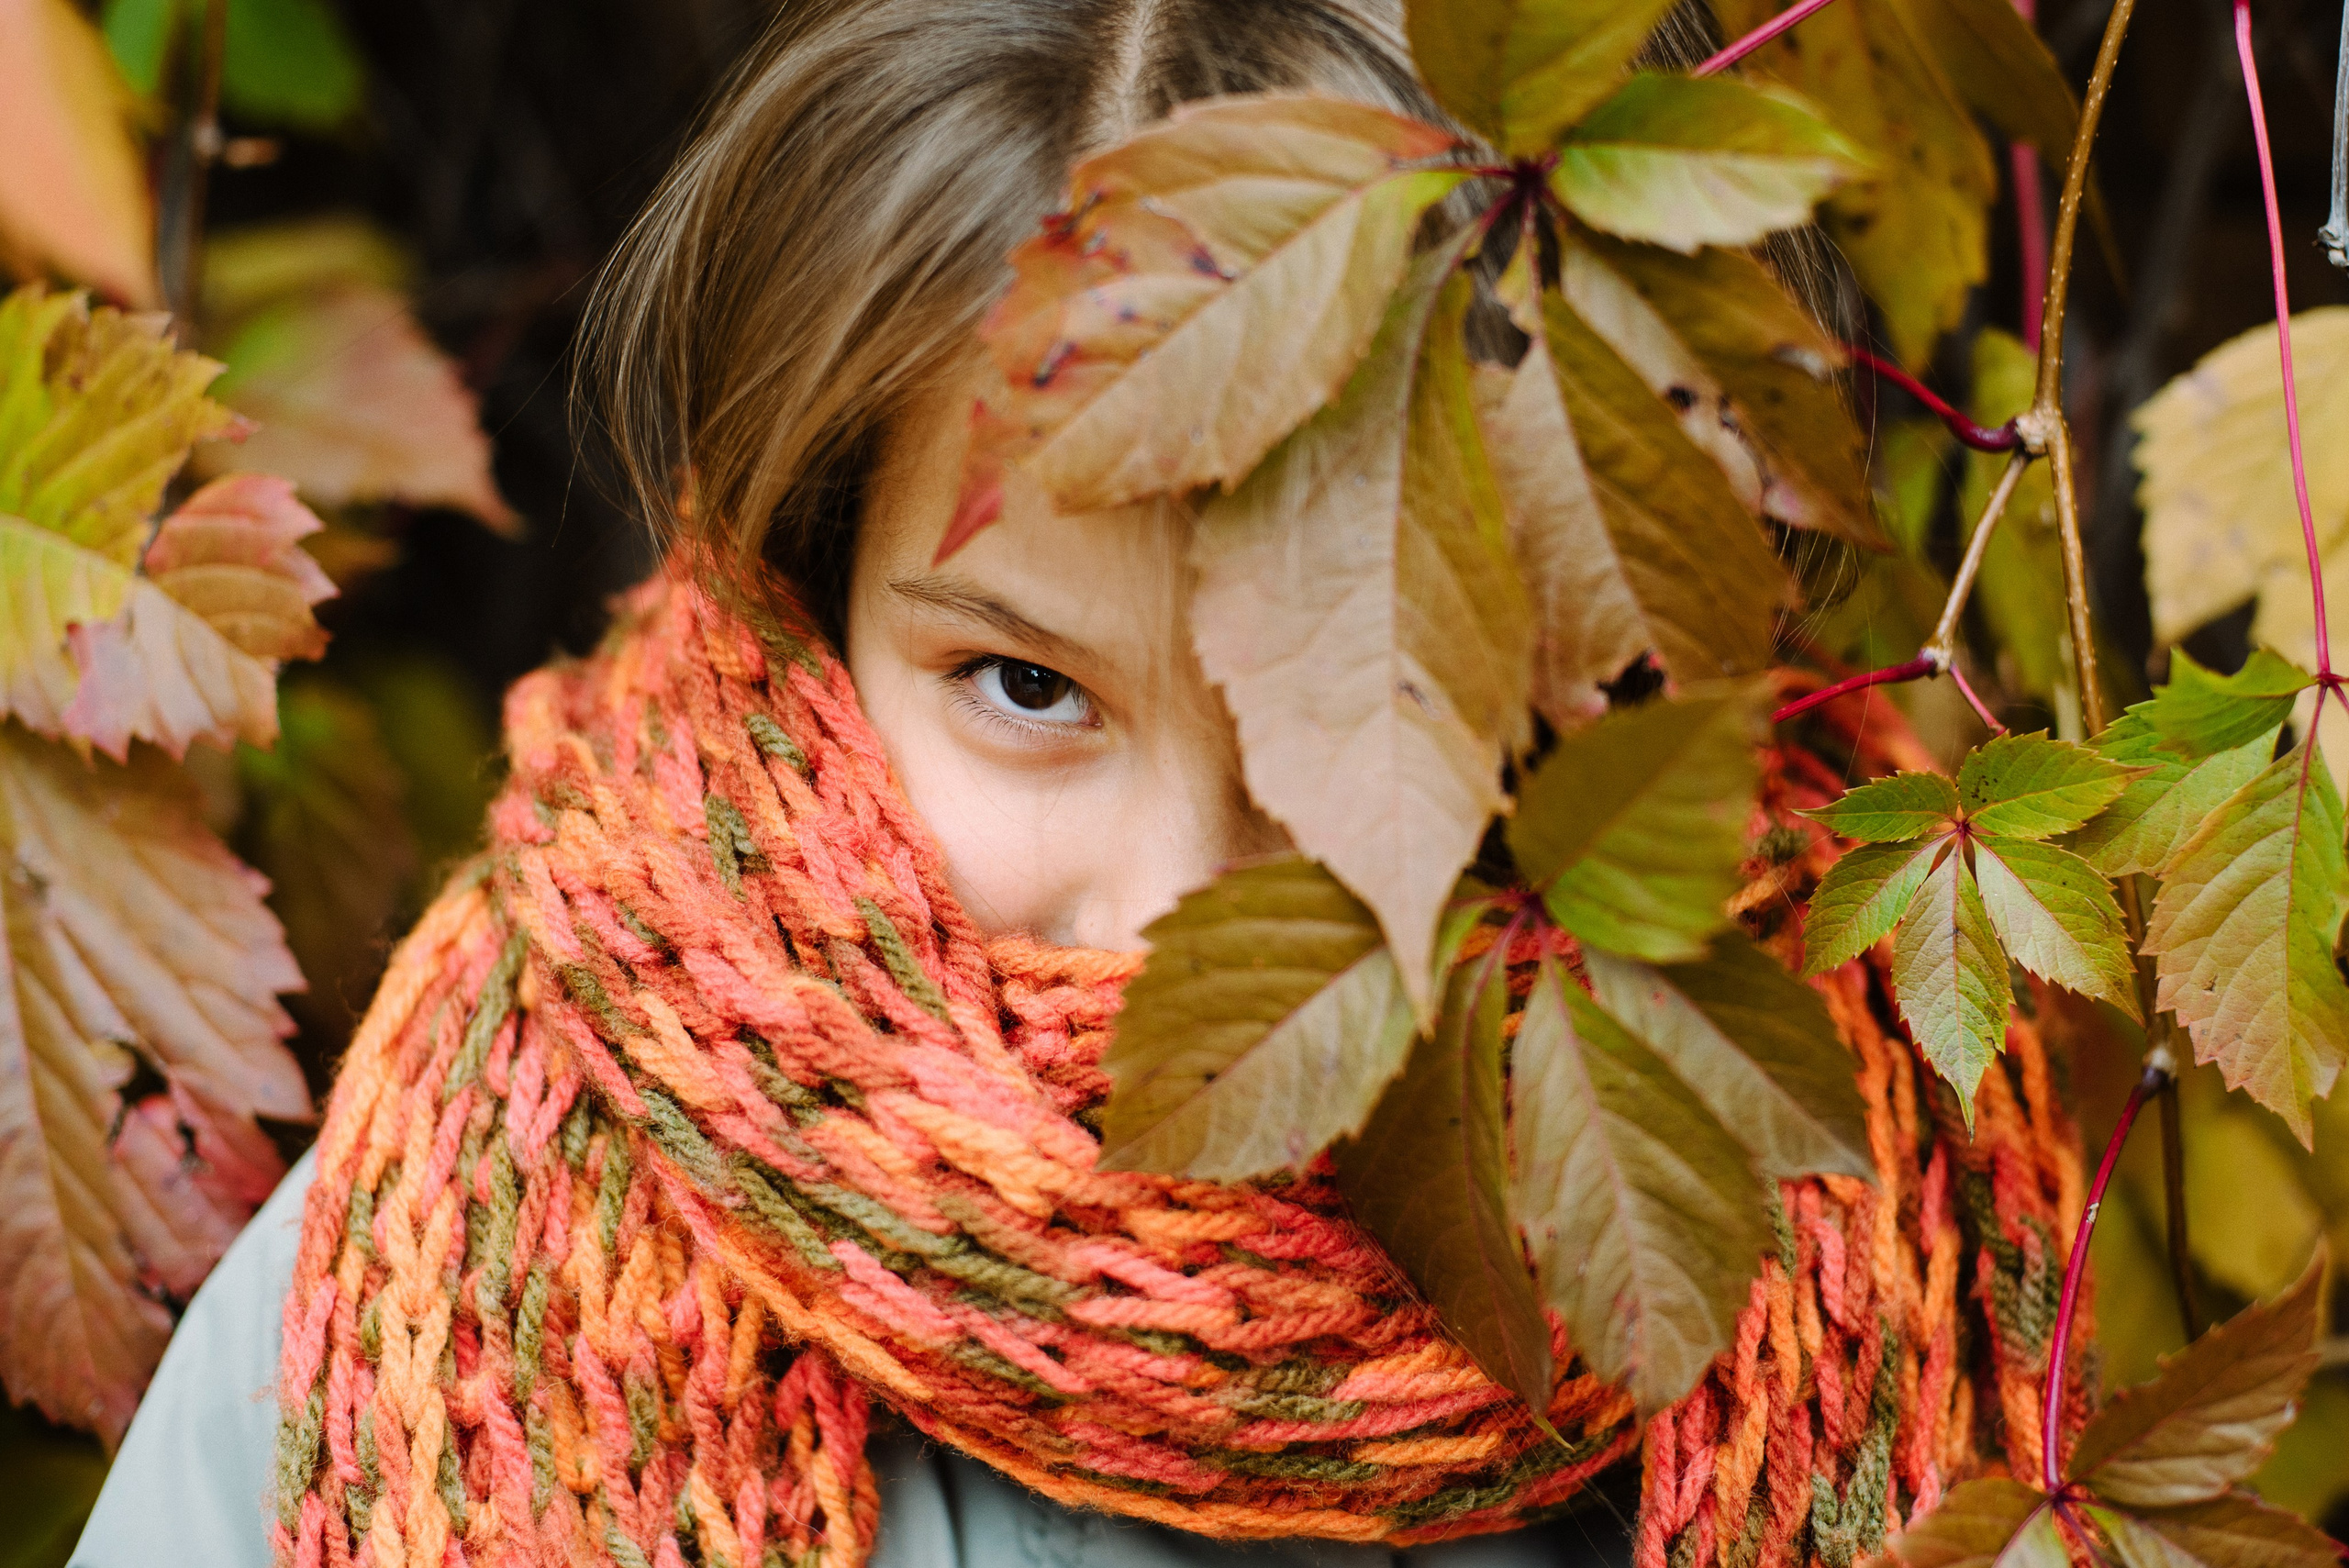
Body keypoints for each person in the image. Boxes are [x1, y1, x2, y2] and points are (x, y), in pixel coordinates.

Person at [74, 3, 2088, 1565]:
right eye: (1027, 684)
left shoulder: (1923, 1192)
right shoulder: (406, 1287)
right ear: (816, 591)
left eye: (1370, 715)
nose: (1169, 922)